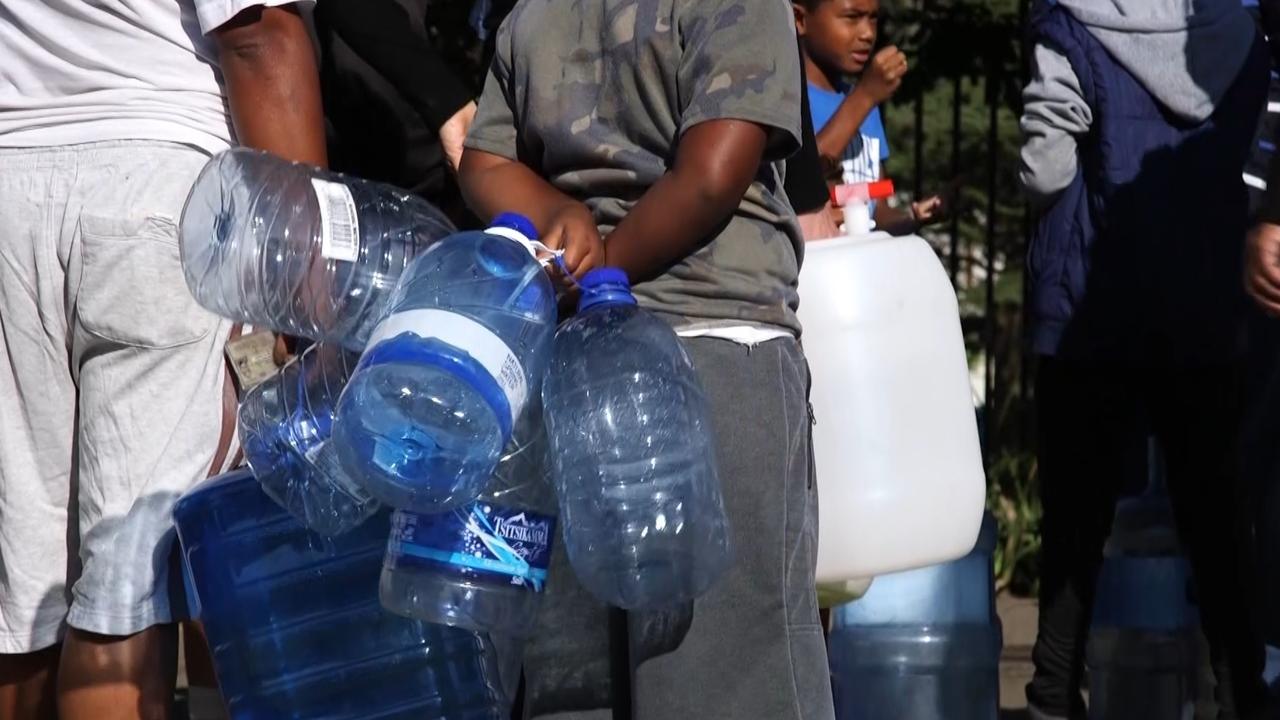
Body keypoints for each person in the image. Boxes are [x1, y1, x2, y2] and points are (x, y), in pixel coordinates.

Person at [457, 0, 834, 718]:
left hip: (571, 366)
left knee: (576, 675)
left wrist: (564, 233)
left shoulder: (532, 13)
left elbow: (485, 159)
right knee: (727, 663)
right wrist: (608, 270)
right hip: (714, 345)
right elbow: (714, 174)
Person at [0, 2, 326, 718]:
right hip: (155, 191)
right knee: (126, 585)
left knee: (23, 594)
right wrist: (311, 277)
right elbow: (257, 35)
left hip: (10, 188)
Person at [1019, 0, 1269, 718]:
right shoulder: (1234, 30)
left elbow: (1044, 169)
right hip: (1207, 303)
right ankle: (1242, 694)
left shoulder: (1068, 28)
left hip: (1093, 311)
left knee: (1075, 530)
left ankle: (1053, 699)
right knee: (1217, 524)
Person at [793, 0, 945, 235]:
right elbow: (802, 176)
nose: (867, 33)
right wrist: (864, 96)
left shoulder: (865, 103)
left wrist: (913, 217)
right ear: (800, 19)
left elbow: (876, 207)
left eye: (873, 18)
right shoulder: (789, 100)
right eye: (851, 17)